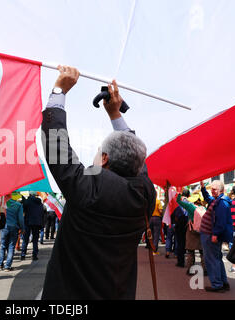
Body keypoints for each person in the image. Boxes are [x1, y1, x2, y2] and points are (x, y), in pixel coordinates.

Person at [41, 66, 156, 300]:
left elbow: (56, 149)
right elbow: (137, 160)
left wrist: (59, 89)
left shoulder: (88, 190)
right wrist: (116, 114)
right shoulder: (145, 194)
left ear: (104, 159)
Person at [200, 180, 233, 292]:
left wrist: (215, 234)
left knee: (212, 260)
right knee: (216, 259)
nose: (212, 191)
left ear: (220, 190)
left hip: (210, 234)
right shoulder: (217, 200)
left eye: (214, 189)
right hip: (210, 234)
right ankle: (223, 282)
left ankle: (217, 284)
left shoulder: (222, 203)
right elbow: (208, 198)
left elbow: (221, 222)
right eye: (211, 189)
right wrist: (203, 187)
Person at [176, 193, 206, 276]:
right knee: (202, 252)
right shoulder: (204, 208)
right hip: (202, 232)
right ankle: (205, 269)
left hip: (191, 231)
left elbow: (178, 201)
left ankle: (190, 270)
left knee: (190, 252)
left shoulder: (190, 207)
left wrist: (179, 194)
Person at [0, 194, 24, 272]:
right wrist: (22, 228)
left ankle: (0, 264)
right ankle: (7, 266)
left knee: (2, 245)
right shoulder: (18, 205)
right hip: (14, 227)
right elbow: (20, 218)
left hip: (4, 226)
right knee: (11, 246)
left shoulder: (4, 203)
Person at [21, 192, 44, 261]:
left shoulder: (27, 202)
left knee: (25, 239)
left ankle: (23, 254)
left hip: (28, 222)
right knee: (35, 240)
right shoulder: (40, 203)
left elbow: (23, 209)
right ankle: (34, 255)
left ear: (30, 195)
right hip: (37, 223)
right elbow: (42, 213)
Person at [170, 189, 189, 268]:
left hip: (179, 225)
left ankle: (181, 262)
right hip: (187, 225)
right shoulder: (190, 203)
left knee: (179, 243)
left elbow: (174, 214)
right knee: (186, 243)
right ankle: (190, 262)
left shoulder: (179, 203)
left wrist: (174, 224)